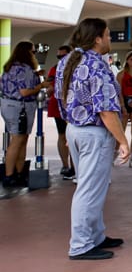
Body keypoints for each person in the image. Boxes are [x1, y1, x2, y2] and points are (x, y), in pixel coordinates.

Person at [55, 18, 130, 260]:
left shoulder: (67, 61)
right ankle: (80, 244)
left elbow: (62, 97)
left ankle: (95, 235)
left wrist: (71, 128)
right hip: (94, 134)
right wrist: (123, 141)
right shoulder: (96, 65)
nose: (110, 39)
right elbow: (106, 110)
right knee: (88, 190)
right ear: (97, 38)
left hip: (75, 129)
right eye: (108, 35)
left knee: (91, 187)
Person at [1, 41, 51, 187]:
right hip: (21, 107)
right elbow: (24, 92)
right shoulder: (25, 69)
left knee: (19, 139)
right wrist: (41, 85)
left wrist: (36, 75)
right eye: (33, 52)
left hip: (8, 105)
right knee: (18, 140)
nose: (34, 55)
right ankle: (10, 175)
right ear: (28, 53)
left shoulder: (10, 67)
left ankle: (17, 173)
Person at [47, 45, 74, 180]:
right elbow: (50, 87)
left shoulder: (76, 67)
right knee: (62, 135)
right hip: (58, 106)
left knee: (74, 136)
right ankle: (66, 165)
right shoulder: (55, 68)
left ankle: (75, 167)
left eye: (63, 56)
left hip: (73, 107)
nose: (61, 59)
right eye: (59, 56)